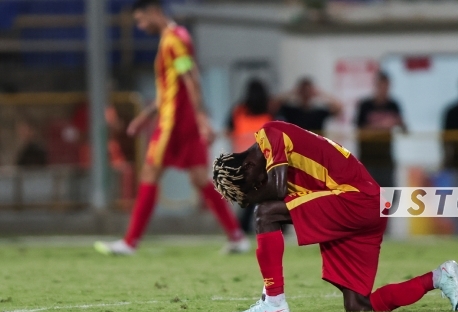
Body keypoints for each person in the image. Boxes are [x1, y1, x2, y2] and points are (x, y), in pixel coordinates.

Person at [212, 121, 458, 312]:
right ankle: (439, 277)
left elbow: (277, 191)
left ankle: (274, 303)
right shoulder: (277, 162)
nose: (257, 188)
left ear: (248, 166)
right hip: (367, 205)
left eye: (251, 185)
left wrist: (249, 200)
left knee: (264, 212)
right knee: (358, 304)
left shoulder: (270, 134)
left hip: (355, 199)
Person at [95, 0, 248, 256]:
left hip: (173, 124)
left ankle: (130, 243)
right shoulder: (173, 38)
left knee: (149, 173)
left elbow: (190, 78)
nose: (140, 26)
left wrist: (202, 118)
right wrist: (145, 116)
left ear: (154, 11)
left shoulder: (175, 40)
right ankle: (237, 237)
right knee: (199, 178)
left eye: (141, 20)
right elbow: (172, 88)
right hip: (181, 121)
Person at [226, 78, 273, 233]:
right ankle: (262, 226)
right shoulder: (269, 112)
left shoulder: (238, 111)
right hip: (264, 160)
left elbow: (228, 131)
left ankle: (243, 227)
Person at [356, 71, 405, 187]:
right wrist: (382, 126)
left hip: (385, 157)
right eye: (381, 85)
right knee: (367, 190)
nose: (383, 89)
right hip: (368, 157)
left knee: (388, 190)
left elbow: (405, 129)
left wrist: (398, 122)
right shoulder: (365, 105)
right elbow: (359, 130)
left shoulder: (393, 105)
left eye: (386, 86)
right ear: (376, 86)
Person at [274, 77, 342, 133]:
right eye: (303, 90)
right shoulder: (290, 110)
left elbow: (338, 108)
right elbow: (273, 106)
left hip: (314, 143)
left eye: (308, 90)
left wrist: (321, 94)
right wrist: (292, 92)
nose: (306, 93)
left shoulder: (319, 113)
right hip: (295, 143)